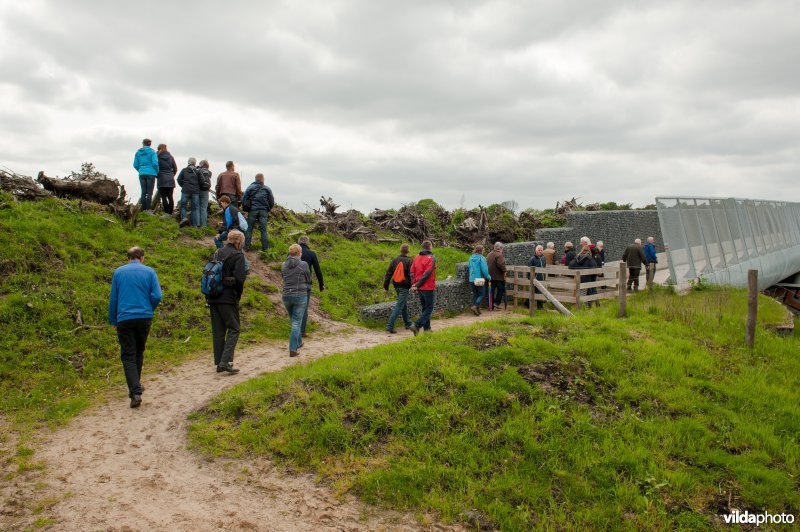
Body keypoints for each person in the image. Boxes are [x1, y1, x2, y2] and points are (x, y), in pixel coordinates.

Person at [108, 246, 162, 408]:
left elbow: (114, 299)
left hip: (124, 317)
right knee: (139, 351)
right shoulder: (150, 272)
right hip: (144, 317)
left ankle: (135, 391)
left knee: (128, 354)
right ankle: (136, 387)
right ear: (142, 258)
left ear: (128, 258)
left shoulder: (118, 272)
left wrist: (113, 320)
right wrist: (149, 308)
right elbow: (157, 296)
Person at [207, 229, 247, 373]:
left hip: (213, 296)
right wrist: (237, 295)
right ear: (239, 241)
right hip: (228, 298)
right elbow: (240, 279)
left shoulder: (217, 252)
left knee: (218, 331)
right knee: (234, 328)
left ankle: (219, 362)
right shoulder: (238, 255)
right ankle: (225, 361)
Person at [282, 244, 311, 357]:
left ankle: (298, 342)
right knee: (296, 323)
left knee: (294, 321)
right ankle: (293, 349)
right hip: (300, 295)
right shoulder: (303, 264)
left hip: (286, 295)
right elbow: (308, 278)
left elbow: (283, 277)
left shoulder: (283, 264)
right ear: (299, 253)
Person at [383, 243, 414, 333]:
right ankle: (390, 326)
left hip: (396, 285)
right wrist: (413, 285)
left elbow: (388, 274)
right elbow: (411, 275)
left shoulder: (394, 260)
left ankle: (408, 323)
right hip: (404, 287)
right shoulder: (409, 261)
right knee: (399, 305)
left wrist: (386, 287)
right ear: (408, 251)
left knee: (403, 304)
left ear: (400, 250)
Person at [298, 235, 324, 338]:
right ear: (307, 243)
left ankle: (294, 330)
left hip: (293, 283)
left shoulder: (292, 253)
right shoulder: (311, 253)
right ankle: (302, 332)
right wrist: (321, 285)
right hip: (306, 283)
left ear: (298, 242)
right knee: (304, 308)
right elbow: (318, 270)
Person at [409, 240, 437, 335]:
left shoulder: (416, 257)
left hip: (419, 287)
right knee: (429, 308)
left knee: (425, 308)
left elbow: (412, 272)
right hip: (428, 287)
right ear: (430, 247)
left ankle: (427, 329)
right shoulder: (431, 258)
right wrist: (417, 285)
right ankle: (416, 325)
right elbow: (427, 273)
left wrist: (414, 285)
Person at [242, 173, 275, 251]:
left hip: (253, 210)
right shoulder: (267, 189)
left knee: (249, 228)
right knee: (263, 230)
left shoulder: (250, 187)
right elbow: (272, 201)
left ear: (255, 179)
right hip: (263, 211)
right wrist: (268, 209)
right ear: (262, 179)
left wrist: (246, 208)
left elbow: (244, 198)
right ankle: (265, 248)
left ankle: (247, 247)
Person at [132, 138, 158, 212]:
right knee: (149, 192)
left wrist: (140, 170)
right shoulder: (152, 152)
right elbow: (155, 163)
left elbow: (135, 164)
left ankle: (143, 209)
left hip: (142, 173)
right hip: (151, 173)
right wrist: (156, 171)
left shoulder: (138, 152)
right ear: (150, 144)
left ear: (143, 143)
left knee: (143, 192)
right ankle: (148, 209)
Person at [177, 158, 200, 227]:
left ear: (188, 162)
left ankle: (184, 218)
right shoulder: (198, 171)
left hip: (185, 190)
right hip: (195, 191)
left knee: (183, 206)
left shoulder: (184, 170)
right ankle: (195, 225)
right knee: (194, 208)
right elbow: (201, 181)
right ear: (195, 163)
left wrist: (183, 186)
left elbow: (178, 179)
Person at [467, 244, 490, 315]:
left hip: (471, 278)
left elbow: (469, 267)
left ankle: (477, 311)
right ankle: (475, 306)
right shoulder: (481, 258)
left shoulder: (471, 258)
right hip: (479, 279)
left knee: (475, 294)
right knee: (482, 294)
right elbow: (485, 270)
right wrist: (489, 277)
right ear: (482, 250)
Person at [156, 144, 177, 216]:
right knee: (170, 197)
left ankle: (166, 212)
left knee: (163, 197)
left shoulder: (157, 157)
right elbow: (175, 169)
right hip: (170, 179)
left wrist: (157, 175)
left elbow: (155, 167)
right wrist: (171, 175)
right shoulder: (171, 157)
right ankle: (170, 213)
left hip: (161, 178)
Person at [486, 242, 507, 310]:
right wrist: (505, 270)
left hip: (489, 276)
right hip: (498, 277)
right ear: (500, 248)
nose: (502, 250)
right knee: (501, 289)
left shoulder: (489, 254)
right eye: (502, 248)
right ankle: (496, 303)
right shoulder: (499, 255)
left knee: (491, 291)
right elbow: (501, 264)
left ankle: (491, 305)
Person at [527, 244, 547, 310]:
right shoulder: (532, 259)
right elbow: (529, 270)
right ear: (536, 251)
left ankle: (539, 307)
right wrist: (530, 278)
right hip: (535, 278)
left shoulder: (543, 258)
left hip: (541, 278)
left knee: (539, 292)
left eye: (541, 250)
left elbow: (544, 267)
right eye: (539, 250)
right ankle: (530, 304)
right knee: (535, 292)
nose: (540, 251)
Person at [196, 160, 213, 228]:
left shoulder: (198, 170)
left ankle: (197, 224)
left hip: (198, 190)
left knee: (197, 208)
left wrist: (198, 167)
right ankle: (204, 226)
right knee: (203, 208)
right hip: (205, 191)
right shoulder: (209, 172)